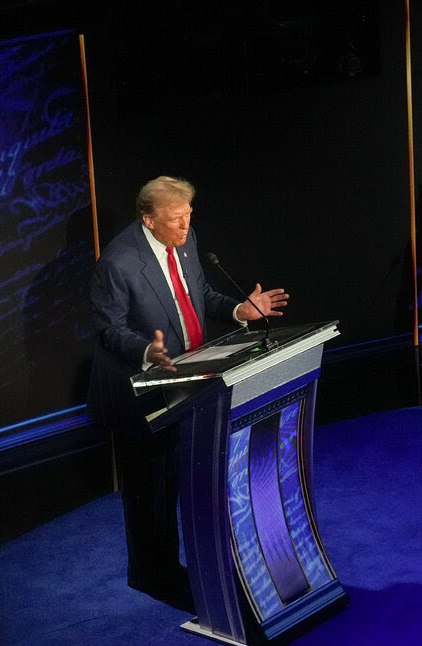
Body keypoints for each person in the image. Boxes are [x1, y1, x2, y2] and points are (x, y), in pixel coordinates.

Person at [87, 176, 288, 609]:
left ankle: (174, 564)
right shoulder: (119, 262)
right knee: (151, 488)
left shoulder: (187, 238)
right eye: (176, 219)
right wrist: (146, 350)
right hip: (139, 392)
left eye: (189, 215)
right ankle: (151, 573)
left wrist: (239, 309)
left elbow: (198, 296)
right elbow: (107, 329)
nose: (185, 225)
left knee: (178, 478)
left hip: (190, 381)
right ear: (148, 219)